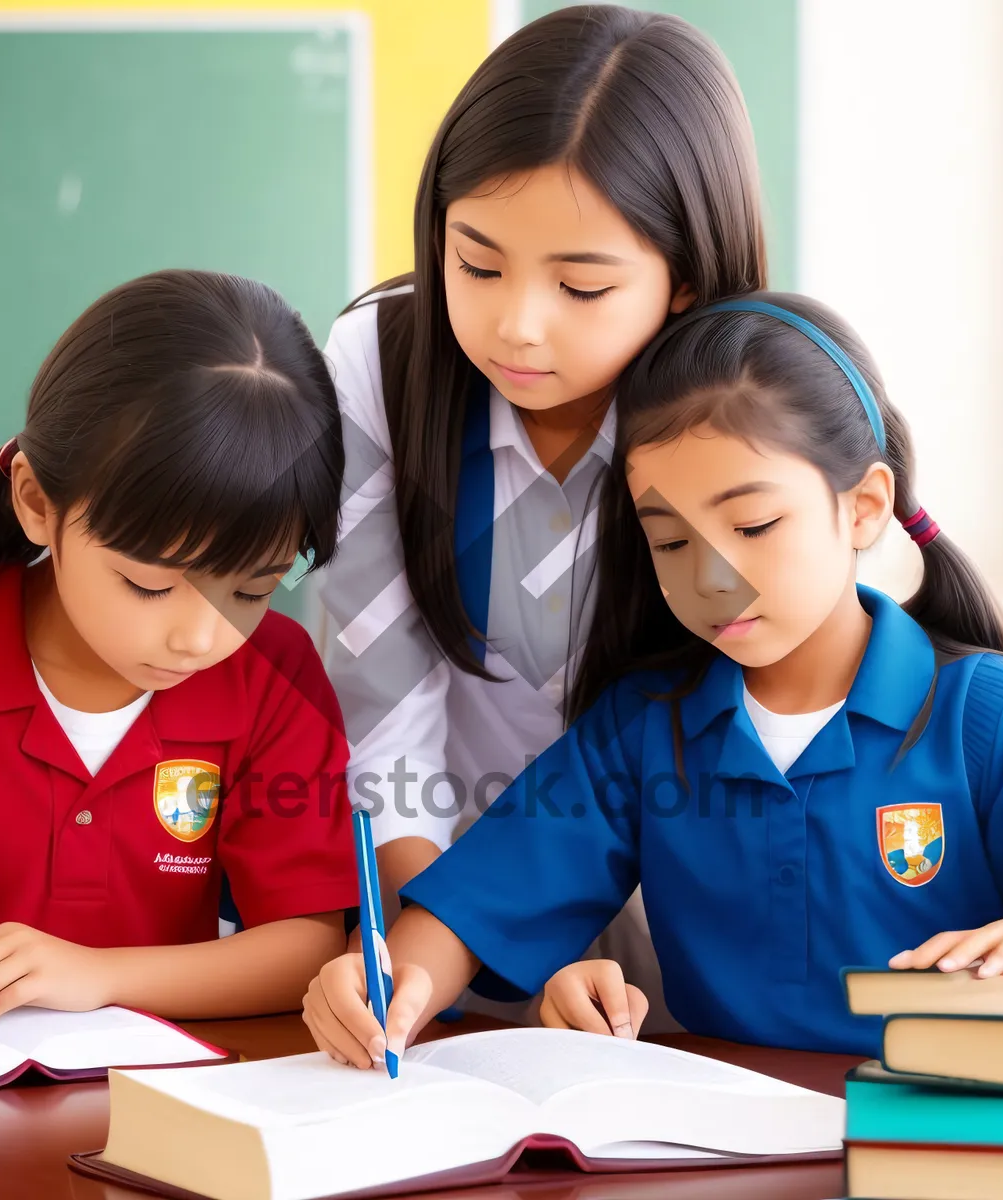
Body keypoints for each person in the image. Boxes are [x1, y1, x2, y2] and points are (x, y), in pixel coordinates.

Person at [302, 293, 1003, 1060]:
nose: (712, 580)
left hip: (940, 1146)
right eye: (670, 542)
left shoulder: (996, 716)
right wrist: (386, 982)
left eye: (754, 526)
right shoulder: (643, 727)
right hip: (719, 1146)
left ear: (865, 507)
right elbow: (478, 905)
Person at [318, 4, 766, 1025]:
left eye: (581, 284)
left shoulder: (749, 412)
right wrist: (433, 945)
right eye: (476, 264)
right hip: (431, 890)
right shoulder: (380, 368)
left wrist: (551, 941)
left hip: (678, 913)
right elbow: (385, 705)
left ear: (685, 282)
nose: (515, 324)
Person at [0, 270, 358, 1036]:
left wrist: (95, 974)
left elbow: (304, 948)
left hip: (156, 1111)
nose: (201, 639)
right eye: (149, 586)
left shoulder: (275, 675)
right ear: (36, 502)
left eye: (254, 591)